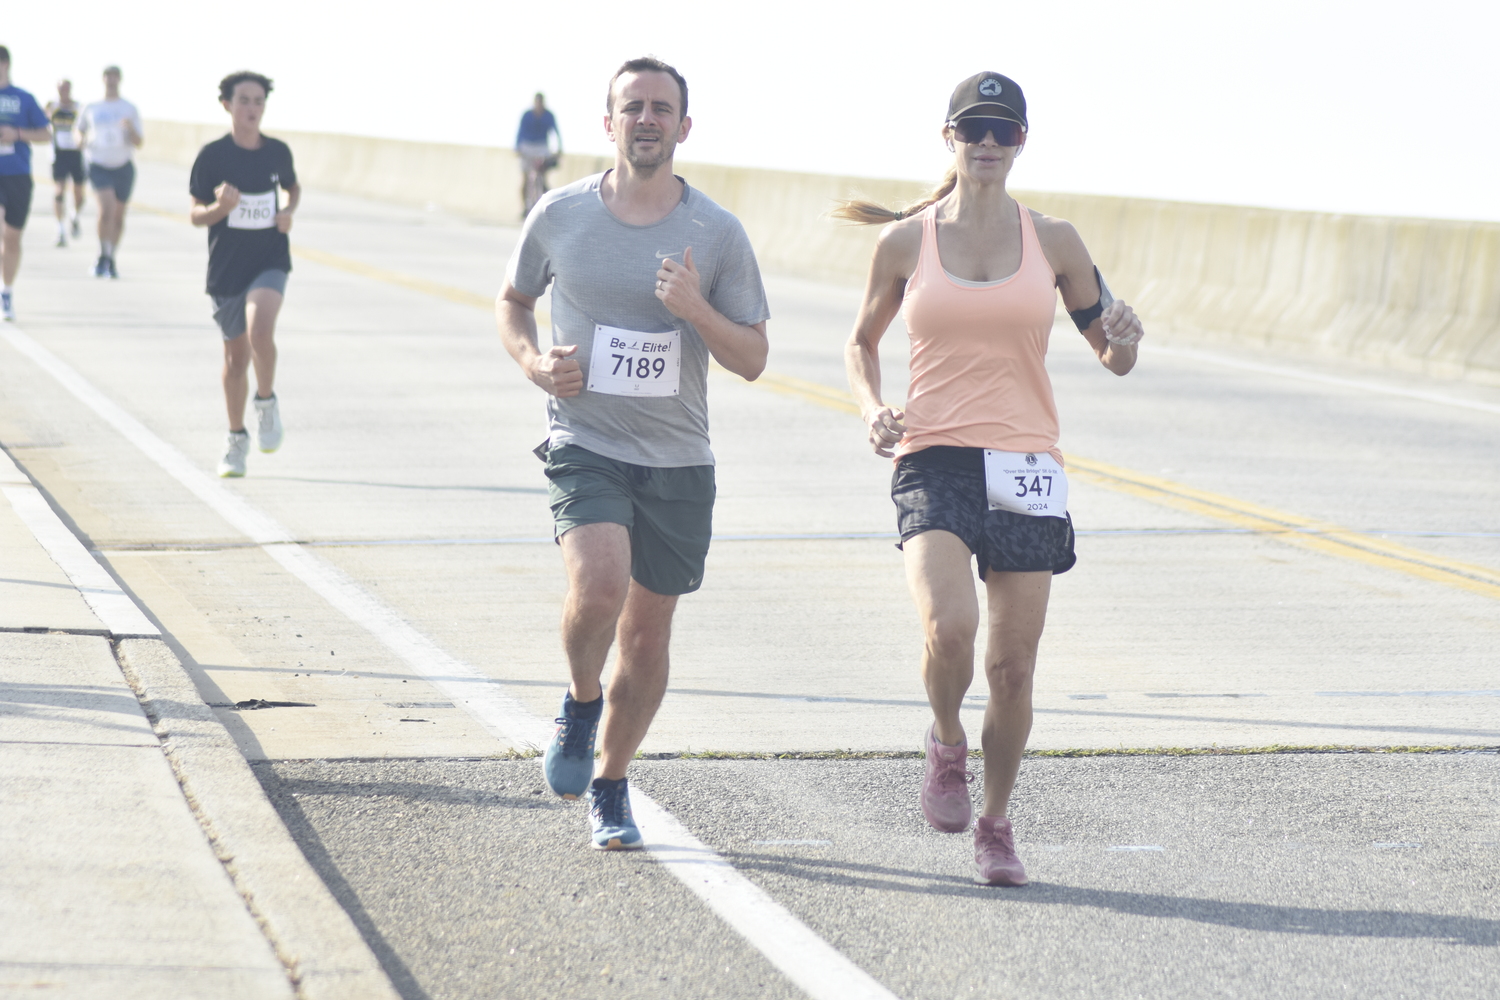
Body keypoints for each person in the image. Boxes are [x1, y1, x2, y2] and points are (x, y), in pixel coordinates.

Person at [838, 72, 1145, 886]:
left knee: (1012, 668)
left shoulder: (1057, 242)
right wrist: (872, 406)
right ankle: (946, 739)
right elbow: (860, 342)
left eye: (1002, 131)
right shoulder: (906, 242)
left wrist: (1126, 335)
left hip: (1026, 465)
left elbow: (1111, 354)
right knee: (951, 629)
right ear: (949, 138)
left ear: (1021, 144)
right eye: (972, 127)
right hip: (934, 453)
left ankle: (997, 823)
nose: (986, 142)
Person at [496, 57, 769, 850]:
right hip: (586, 440)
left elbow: (752, 357)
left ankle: (612, 785)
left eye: (661, 109)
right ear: (607, 122)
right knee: (598, 585)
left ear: (684, 127)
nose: (646, 119)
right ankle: (583, 699)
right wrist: (535, 364)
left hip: (679, 456)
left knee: (647, 639)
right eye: (632, 106)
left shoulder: (716, 234)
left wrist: (694, 310)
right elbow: (514, 304)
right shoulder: (560, 213)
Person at [189, 70, 299, 478]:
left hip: (269, 259)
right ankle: (236, 437)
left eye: (258, 101)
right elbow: (195, 214)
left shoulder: (277, 152)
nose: (252, 108)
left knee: (260, 331)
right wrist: (221, 210)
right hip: (227, 271)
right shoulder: (213, 157)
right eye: (244, 100)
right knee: (236, 361)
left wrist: (288, 211)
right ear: (227, 105)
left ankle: (266, 404)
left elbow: (292, 187)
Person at [0, 46, 54, 322]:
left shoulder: (23, 98)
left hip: (18, 175)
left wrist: (17, 133)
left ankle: (6, 291)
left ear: (6, 64)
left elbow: (46, 133)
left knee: (11, 238)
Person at [79, 65, 142, 278]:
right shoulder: (92, 107)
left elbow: (139, 142)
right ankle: (101, 253)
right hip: (98, 163)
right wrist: (81, 141)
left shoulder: (129, 108)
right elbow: (79, 131)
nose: (111, 80)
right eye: (108, 77)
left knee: (118, 215)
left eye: (115, 77)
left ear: (120, 80)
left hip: (123, 165)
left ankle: (110, 257)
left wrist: (130, 129)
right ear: (103, 79)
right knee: (106, 210)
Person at [45, 79, 85, 247]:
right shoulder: (52, 107)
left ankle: (74, 215)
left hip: (76, 153)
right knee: (59, 190)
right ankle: (60, 229)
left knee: (78, 193)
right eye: (61, 89)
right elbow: (41, 122)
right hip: (59, 154)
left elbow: (85, 126)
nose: (64, 92)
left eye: (66, 89)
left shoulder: (78, 108)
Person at [514, 92, 561, 216]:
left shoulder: (549, 116)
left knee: (541, 176)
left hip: (541, 146)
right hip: (527, 145)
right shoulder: (527, 115)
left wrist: (559, 148)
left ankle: (542, 203)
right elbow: (520, 132)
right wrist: (517, 147)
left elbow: (555, 132)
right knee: (525, 178)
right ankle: (524, 207)